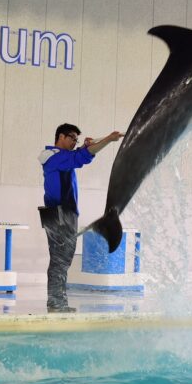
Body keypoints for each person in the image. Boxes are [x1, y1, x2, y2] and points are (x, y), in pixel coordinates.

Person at [39, 123, 123, 312]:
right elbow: (80, 158)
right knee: (60, 259)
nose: (74, 142)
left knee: (62, 259)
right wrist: (109, 139)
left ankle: (58, 301)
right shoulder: (53, 157)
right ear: (61, 136)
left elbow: (80, 154)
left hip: (60, 213)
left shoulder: (60, 158)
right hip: (59, 213)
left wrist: (88, 145)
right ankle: (55, 302)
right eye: (72, 138)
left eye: (76, 140)